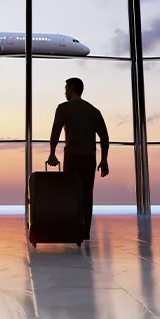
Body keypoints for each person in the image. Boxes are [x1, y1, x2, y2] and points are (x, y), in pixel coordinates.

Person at [47, 77, 109, 241]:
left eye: (66, 88)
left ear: (72, 89)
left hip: (72, 158)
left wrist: (52, 153)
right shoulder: (94, 111)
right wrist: (104, 160)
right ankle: (85, 231)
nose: (65, 91)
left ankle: (72, 229)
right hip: (89, 158)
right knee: (87, 195)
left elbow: (56, 132)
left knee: (71, 194)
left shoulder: (63, 108)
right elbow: (104, 137)